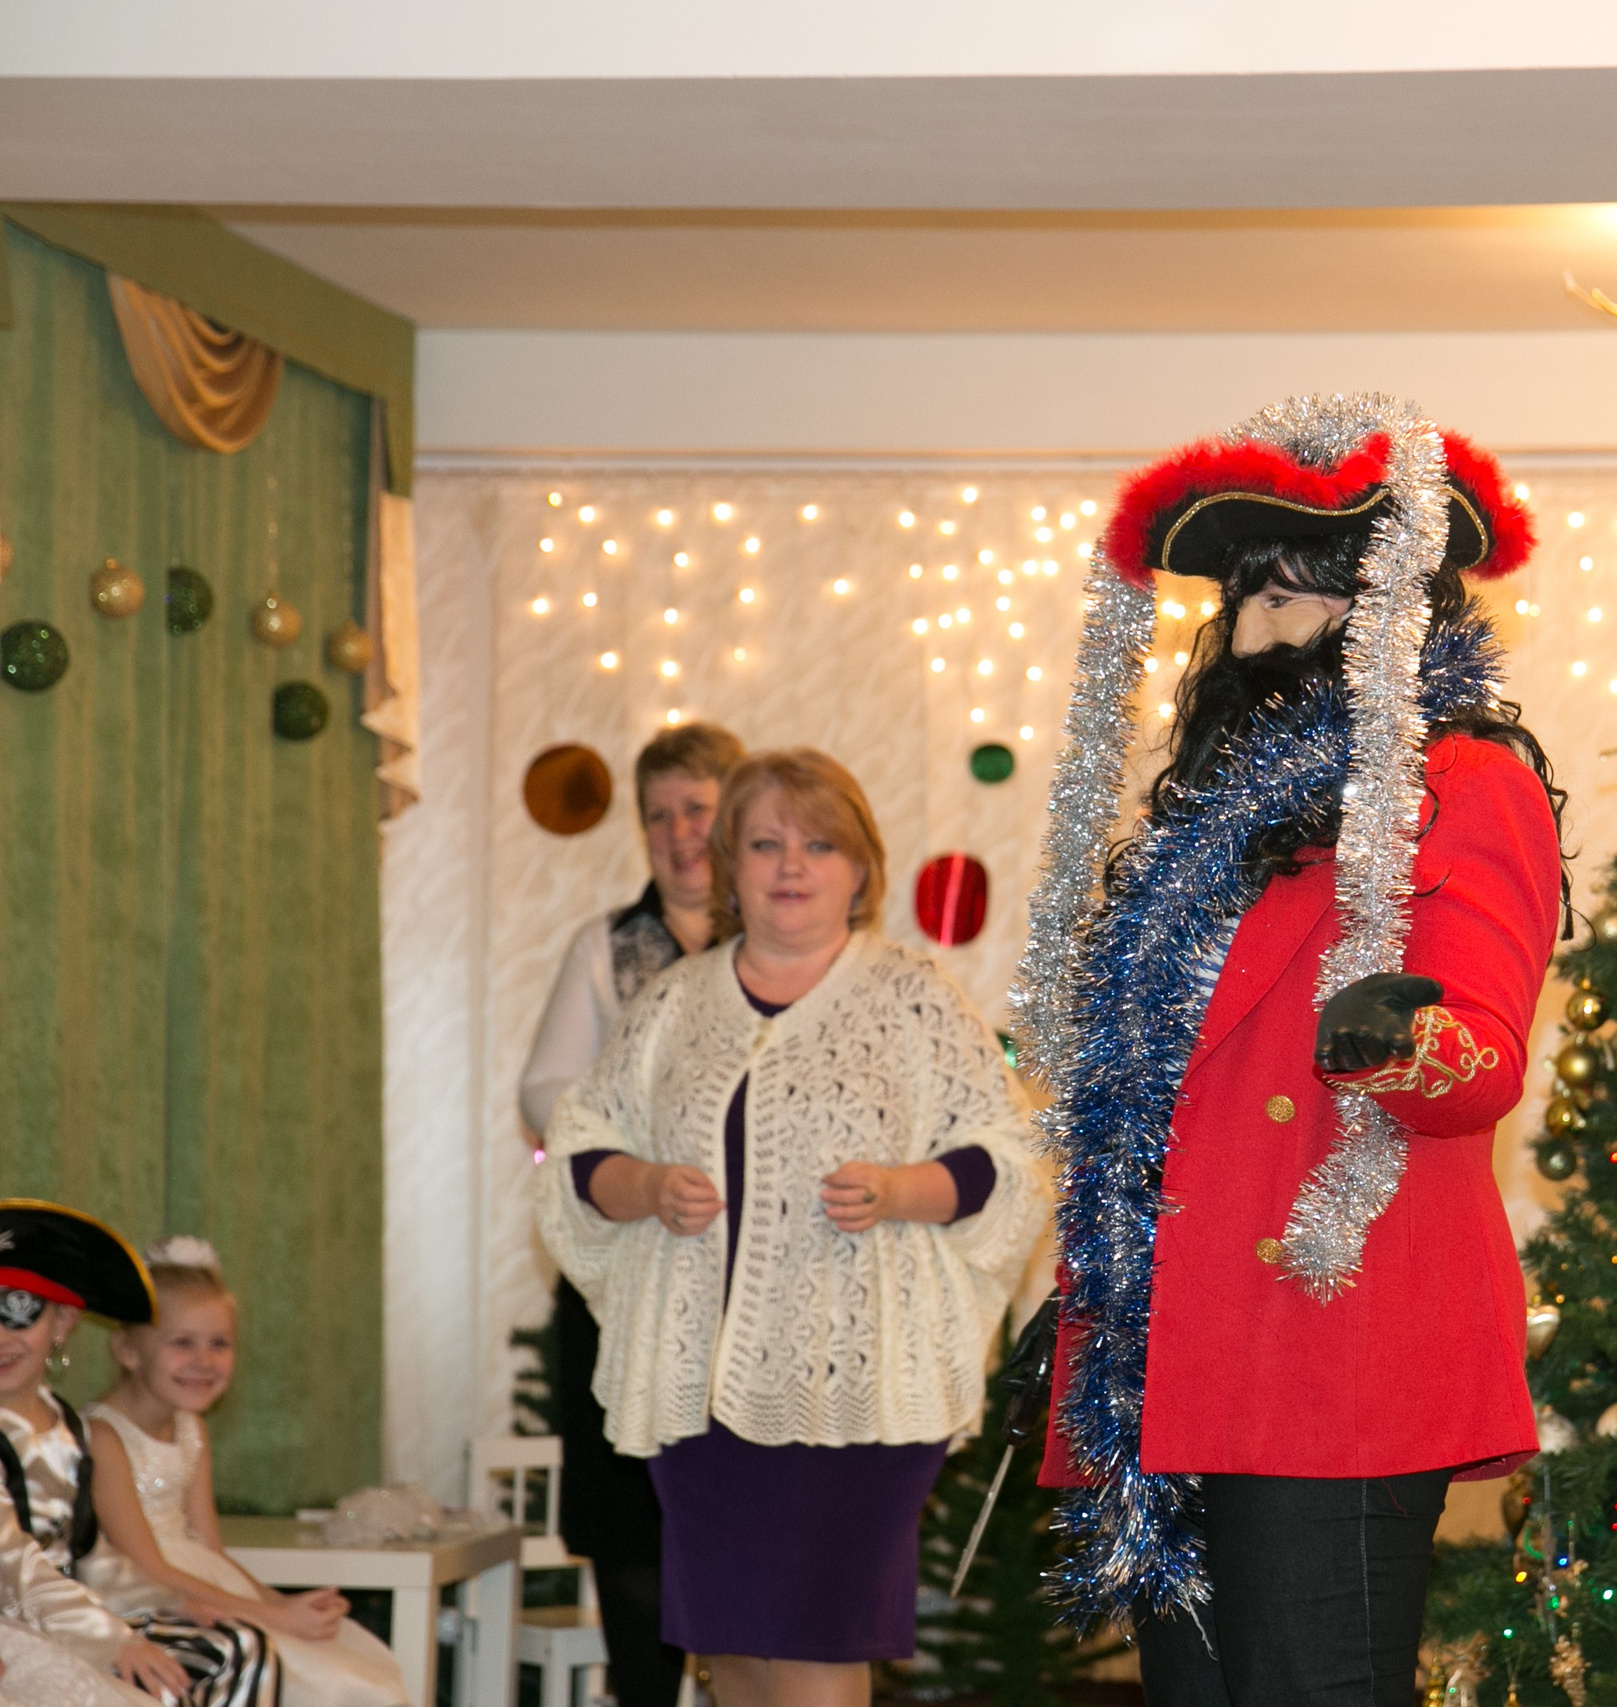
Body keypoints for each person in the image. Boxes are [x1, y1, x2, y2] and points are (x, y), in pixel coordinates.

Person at [1015, 396, 1563, 1706]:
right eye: (1253, 592)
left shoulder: (1465, 779)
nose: (1271, 623)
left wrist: (1400, 1036)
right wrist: (1094, 1263)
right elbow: (1169, 1101)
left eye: (1314, 588)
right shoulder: (1201, 839)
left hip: (1336, 1343)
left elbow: (1480, 1060)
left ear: (1392, 611)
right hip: (1174, 1350)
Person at [536, 749, 1041, 1707]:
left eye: (818, 843)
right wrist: (643, 1183)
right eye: (764, 843)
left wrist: (905, 1188)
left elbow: (1005, 1157)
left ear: (861, 868)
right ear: (730, 866)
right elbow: (579, 1150)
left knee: (817, 1648)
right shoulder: (673, 1005)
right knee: (731, 1655)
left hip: (856, 1392)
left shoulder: (915, 995)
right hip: (701, 1397)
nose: (790, 864)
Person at [519, 720, 743, 1707]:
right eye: (659, 815)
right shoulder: (607, 946)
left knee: (748, 1529)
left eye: (697, 808)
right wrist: (640, 1161)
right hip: (629, 1277)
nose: (678, 831)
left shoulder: (785, 935)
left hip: (749, 1289)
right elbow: (545, 1090)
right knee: (630, 1527)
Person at [83, 1238, 407, 1706]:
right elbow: (148, 1568)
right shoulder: (103, 1436)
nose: (204, 1361)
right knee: (321, 1681)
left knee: (355, 1666)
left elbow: (211, 1552)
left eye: (220, 1344)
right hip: (147, 1602)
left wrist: (280, 1603)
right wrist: (270, 1618)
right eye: (182, 1343)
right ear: (128, 1350)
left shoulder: (191, 1429)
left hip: (204, 1587)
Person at [0, 1201, 278, 1706]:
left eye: (18, 1312)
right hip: (14, 1626)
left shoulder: (69, 1429)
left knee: (238, 1647)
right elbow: (15, 1563)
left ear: (62, 1323)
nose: (1, 1337)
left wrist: (173, 1602)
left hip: (76, 1608)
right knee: (154, 1692)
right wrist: (113, 1638)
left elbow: (91, 1555)